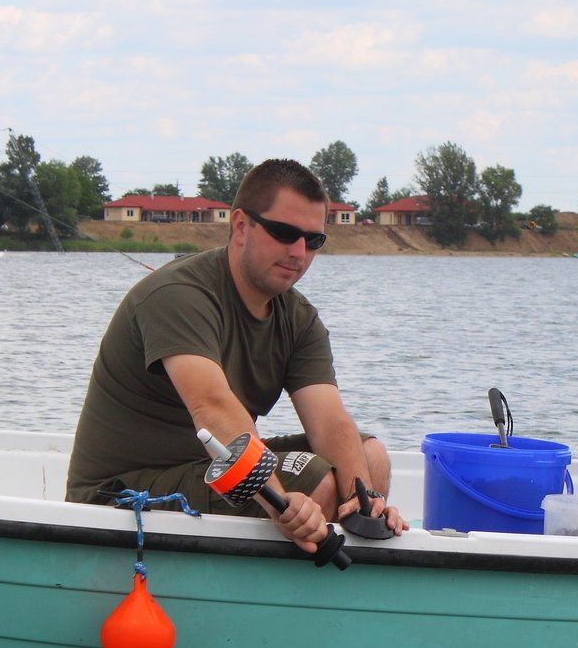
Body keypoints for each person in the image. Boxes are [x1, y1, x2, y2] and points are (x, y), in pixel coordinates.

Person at [66, 158, 404, 554]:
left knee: (369, 458)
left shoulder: (299, 318)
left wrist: (365, 500)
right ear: (241, 226)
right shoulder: (178, 296)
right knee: (313, 481)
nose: (298, 252)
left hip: (213, 472)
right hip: (119, 493)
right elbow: (214, 408)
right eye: (284, 233)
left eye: (313, 241)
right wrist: (283, 501)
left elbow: (329, 422)